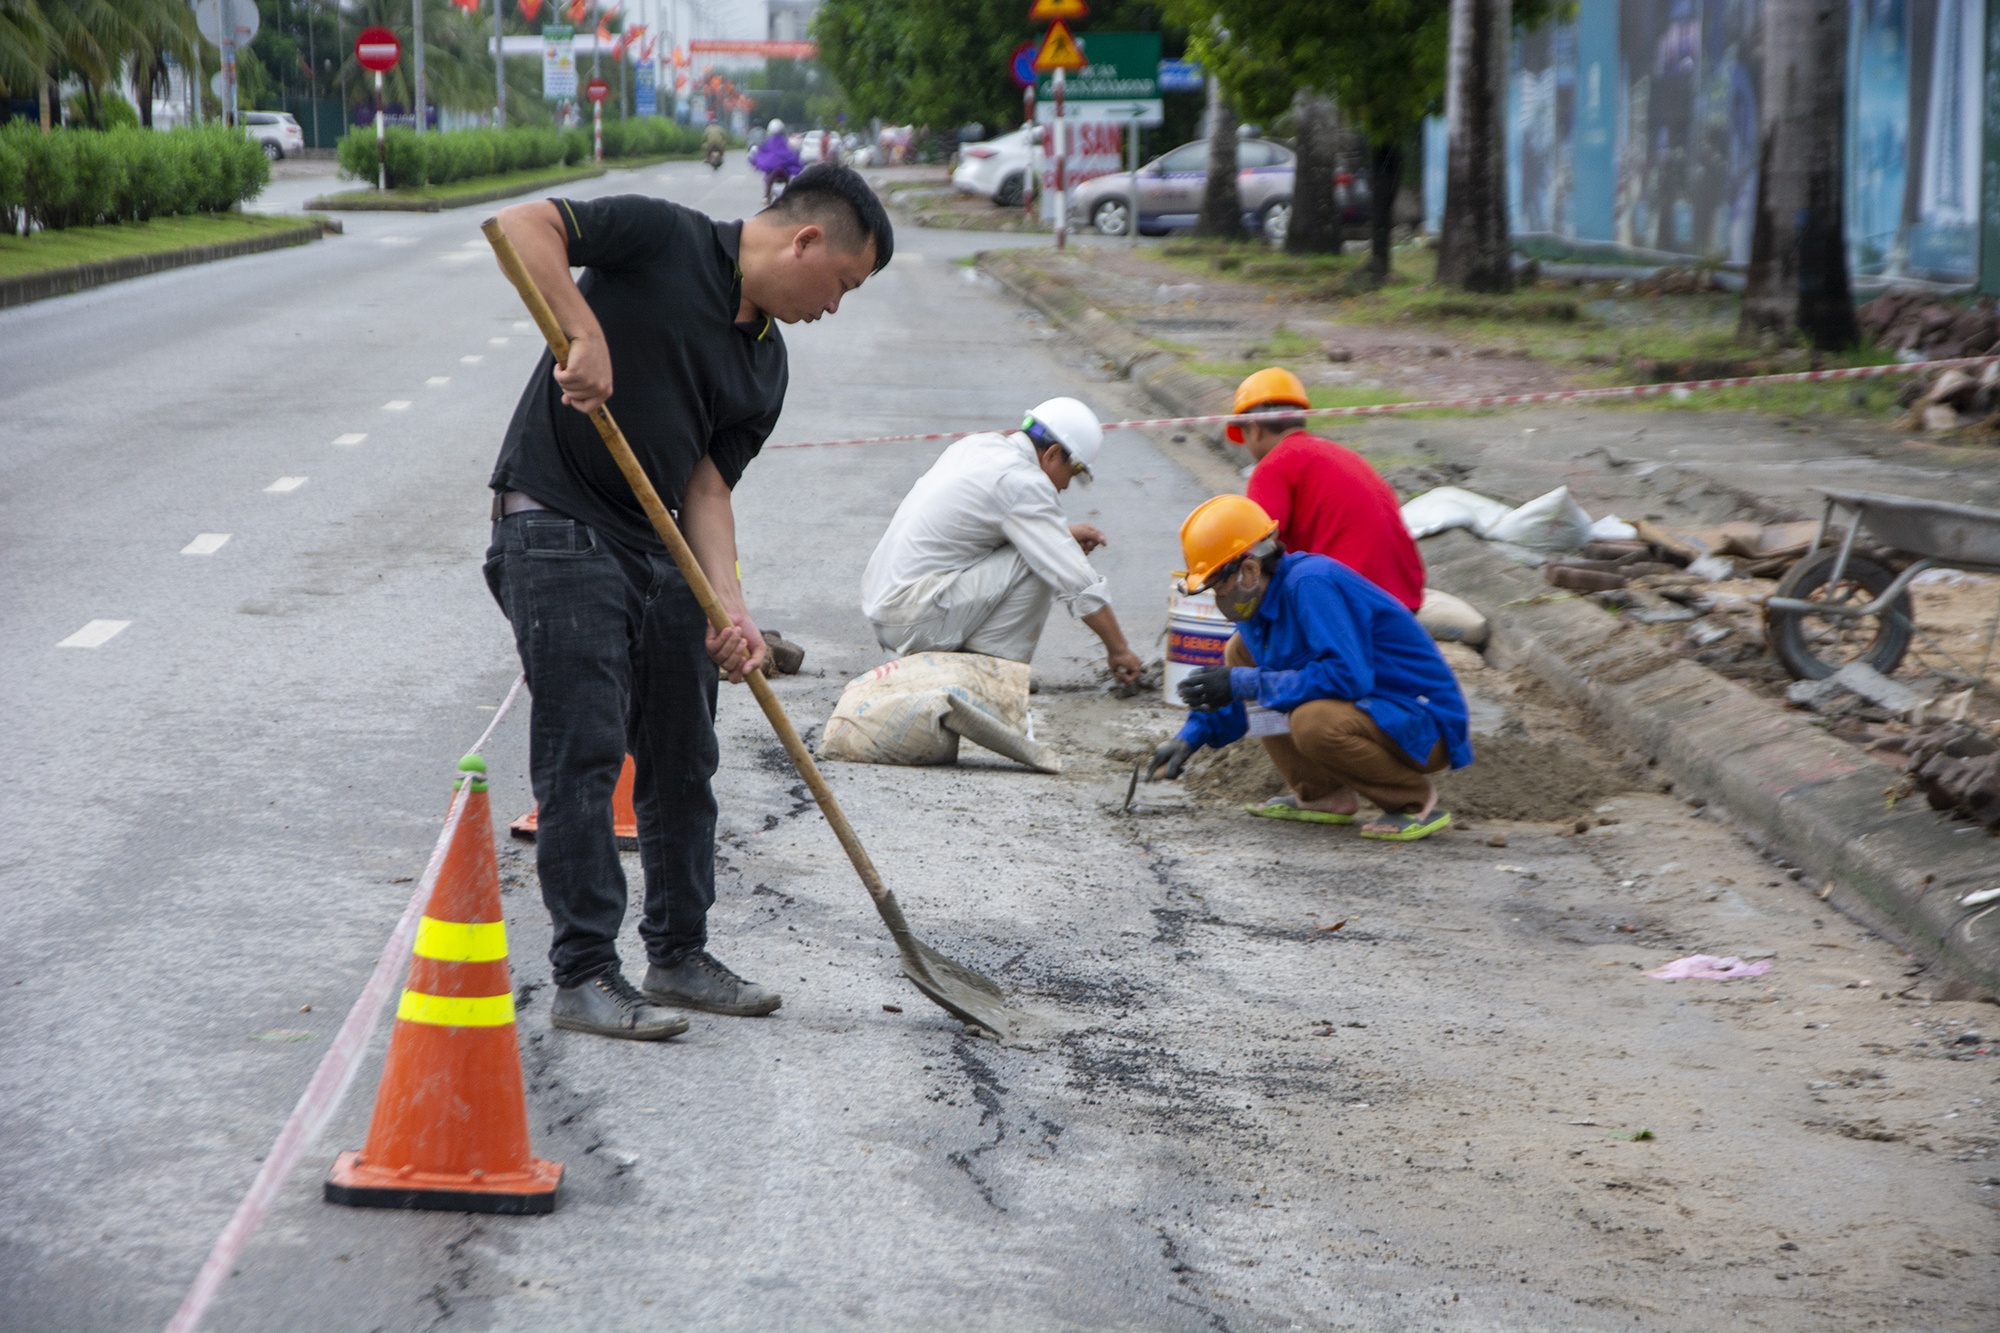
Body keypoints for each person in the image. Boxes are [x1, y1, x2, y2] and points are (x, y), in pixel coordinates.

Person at [484, 164, 894, 1041]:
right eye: (843, 285)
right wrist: (581, 328)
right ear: (806, 239)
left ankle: (677, 953)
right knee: (586, 753)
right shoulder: (662, 237)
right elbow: (524, 224)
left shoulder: (766, 366)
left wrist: (728, 607)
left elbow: (706, 488)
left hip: (654, 544)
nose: (834, 306)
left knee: (682, 754)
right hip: (556, 525)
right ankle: (586, 974)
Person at [1146, 496, 1471, 841]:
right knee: (1239, 654)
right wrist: (1188, 738)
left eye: (1217, 585)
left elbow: (1348, 678)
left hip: (1423, 723)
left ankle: (1412, 801)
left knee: (1312, 721)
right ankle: (1321, 794)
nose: (1217, 598)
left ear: (1250, 569)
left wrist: (1244, 683)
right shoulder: (1261, 610)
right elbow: (1246, 695)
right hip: (1379, 715)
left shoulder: (1312, 585)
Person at [861, 398, 1144, 684]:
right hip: (915, 620)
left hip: (889, 608)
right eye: (1069, 473)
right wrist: (1119, 650)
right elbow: (1079, 583)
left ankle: (966, 663)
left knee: (1041, 549)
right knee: (1042, 560)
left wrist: (1061, 534)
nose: (1066, 485)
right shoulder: (1024, 482)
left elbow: (978, 527)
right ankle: (990, 677)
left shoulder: (977, 446)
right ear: (1052, 454)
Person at [1228, 367, 1426, 613]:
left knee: (1242, 644)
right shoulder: (1338, 454)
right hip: (1402, 600)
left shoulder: (1274, 465)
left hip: (1350, 604)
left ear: (1255, 428)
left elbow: (1258, 547)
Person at [750, 120, 802, 204]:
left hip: (774, 172)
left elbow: (761, 152)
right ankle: (789, 195)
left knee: (768, 179)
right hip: (784, 171)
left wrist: (755, 159)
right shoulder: (785, 142)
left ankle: (767, 195)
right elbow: (793, 154)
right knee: (788, 181)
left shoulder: (769, 142)